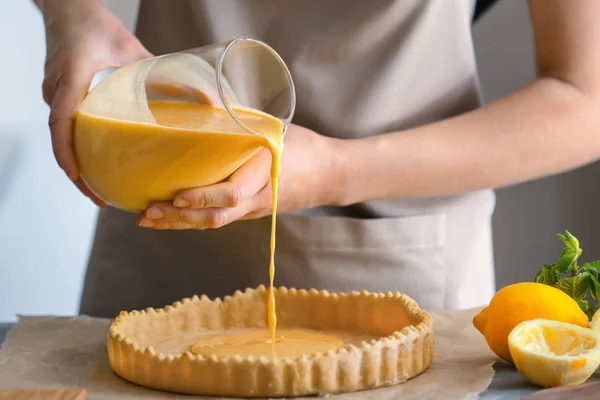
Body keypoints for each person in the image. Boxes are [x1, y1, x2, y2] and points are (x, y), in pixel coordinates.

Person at [33, 0, 600, 318]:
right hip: (157, 250)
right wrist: (73, 16)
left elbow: (586, 98)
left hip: (392, 266)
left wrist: (335, 169)